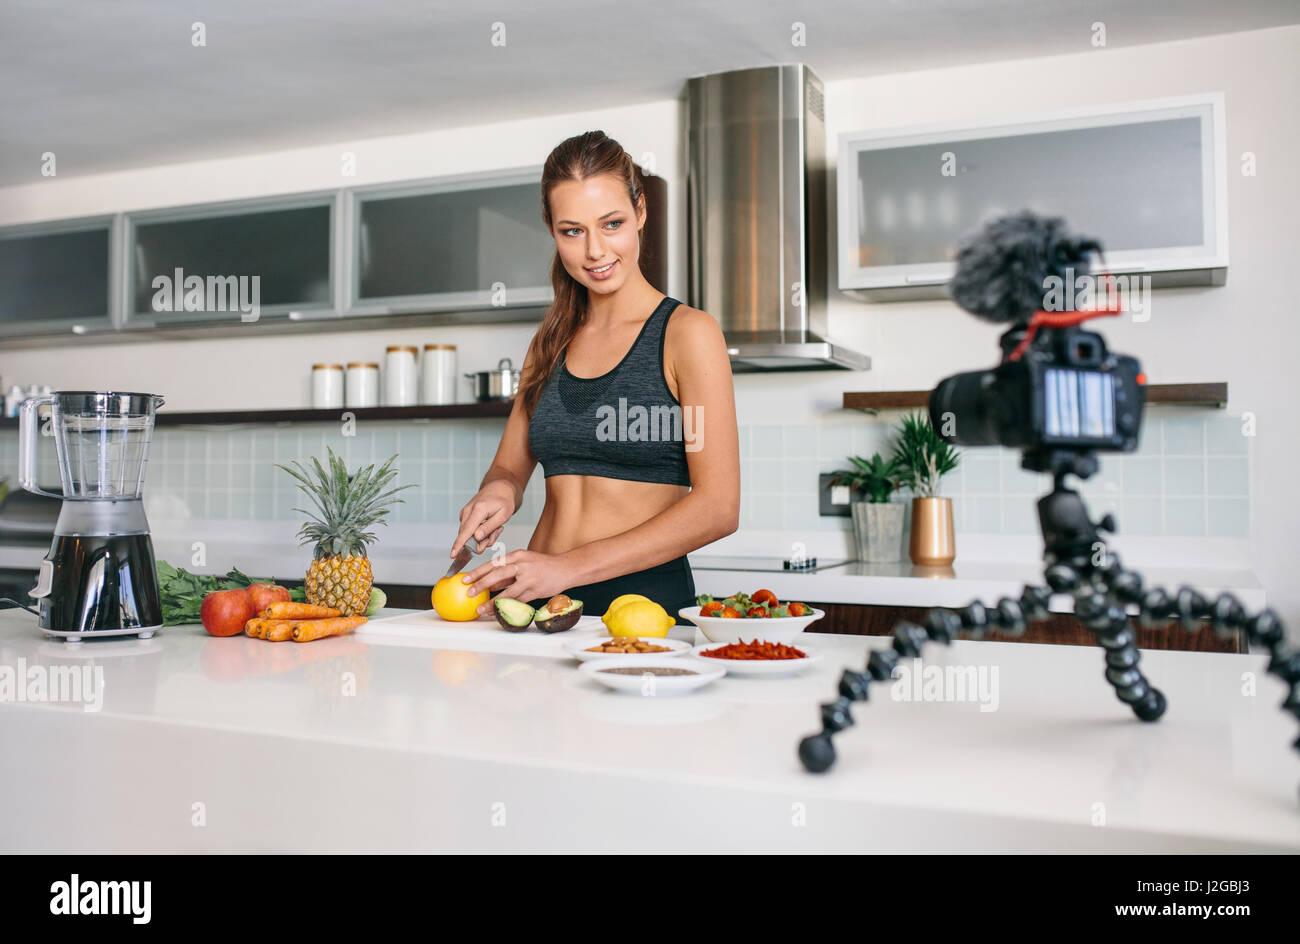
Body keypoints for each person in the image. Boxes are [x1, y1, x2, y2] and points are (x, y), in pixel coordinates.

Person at [450, 130, 740, 621]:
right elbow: (509, 469)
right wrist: (498, 491)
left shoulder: (687, 334)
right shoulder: (550, 340)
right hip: (538, 597)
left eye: (612, 223)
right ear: (551, 228)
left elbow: (718, 507)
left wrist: (567, 568)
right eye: (572, 231)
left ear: (640, 211)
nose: (595, 251)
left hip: (639, 604)